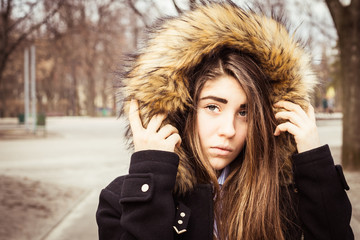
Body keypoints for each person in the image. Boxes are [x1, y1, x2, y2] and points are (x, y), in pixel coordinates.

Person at [96, 2, 353, 240]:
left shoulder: (283, 197)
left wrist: (313, 161)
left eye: (244, 112)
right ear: (182, 111)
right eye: (212, 107)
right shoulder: (119, 200)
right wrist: (150, 175)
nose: (229, 130)